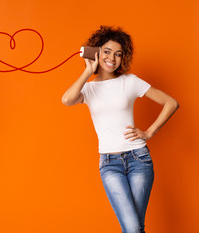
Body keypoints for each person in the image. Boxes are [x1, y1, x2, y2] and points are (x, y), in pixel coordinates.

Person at [62, 26, 179, 233]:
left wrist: (149, 132)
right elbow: (67, 100)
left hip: (139, 159)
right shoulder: (88, 89)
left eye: (118, 54)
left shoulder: (130, 82)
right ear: (97, 52)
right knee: (134, 228)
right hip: (109, 163)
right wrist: (88, 70)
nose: (112, 58)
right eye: (107, 51)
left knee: (135, 228)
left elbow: (171, 103)